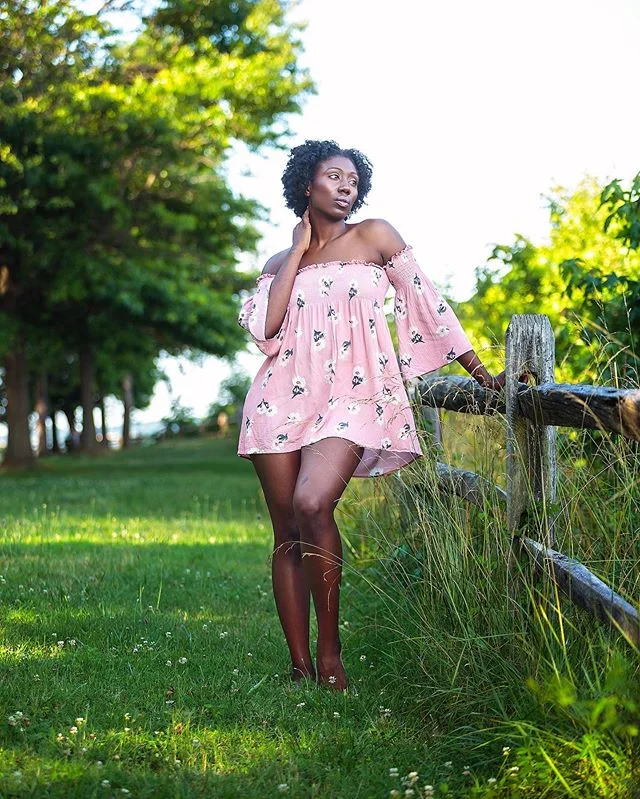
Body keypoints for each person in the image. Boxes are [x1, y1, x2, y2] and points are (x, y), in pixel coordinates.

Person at [237, 140, 511, 691]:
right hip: (278, 399)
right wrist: (295, 251)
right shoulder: (277, 263)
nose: (346, 187)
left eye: (353, 180)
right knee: (287, 534)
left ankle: (330, 652)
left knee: (313, 503)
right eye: (334, 176)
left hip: (354, 395)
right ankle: (297, 667)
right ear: (306, 186)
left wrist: (483, 375)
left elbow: (428, 302)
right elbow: (265, 332)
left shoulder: (376, 236)